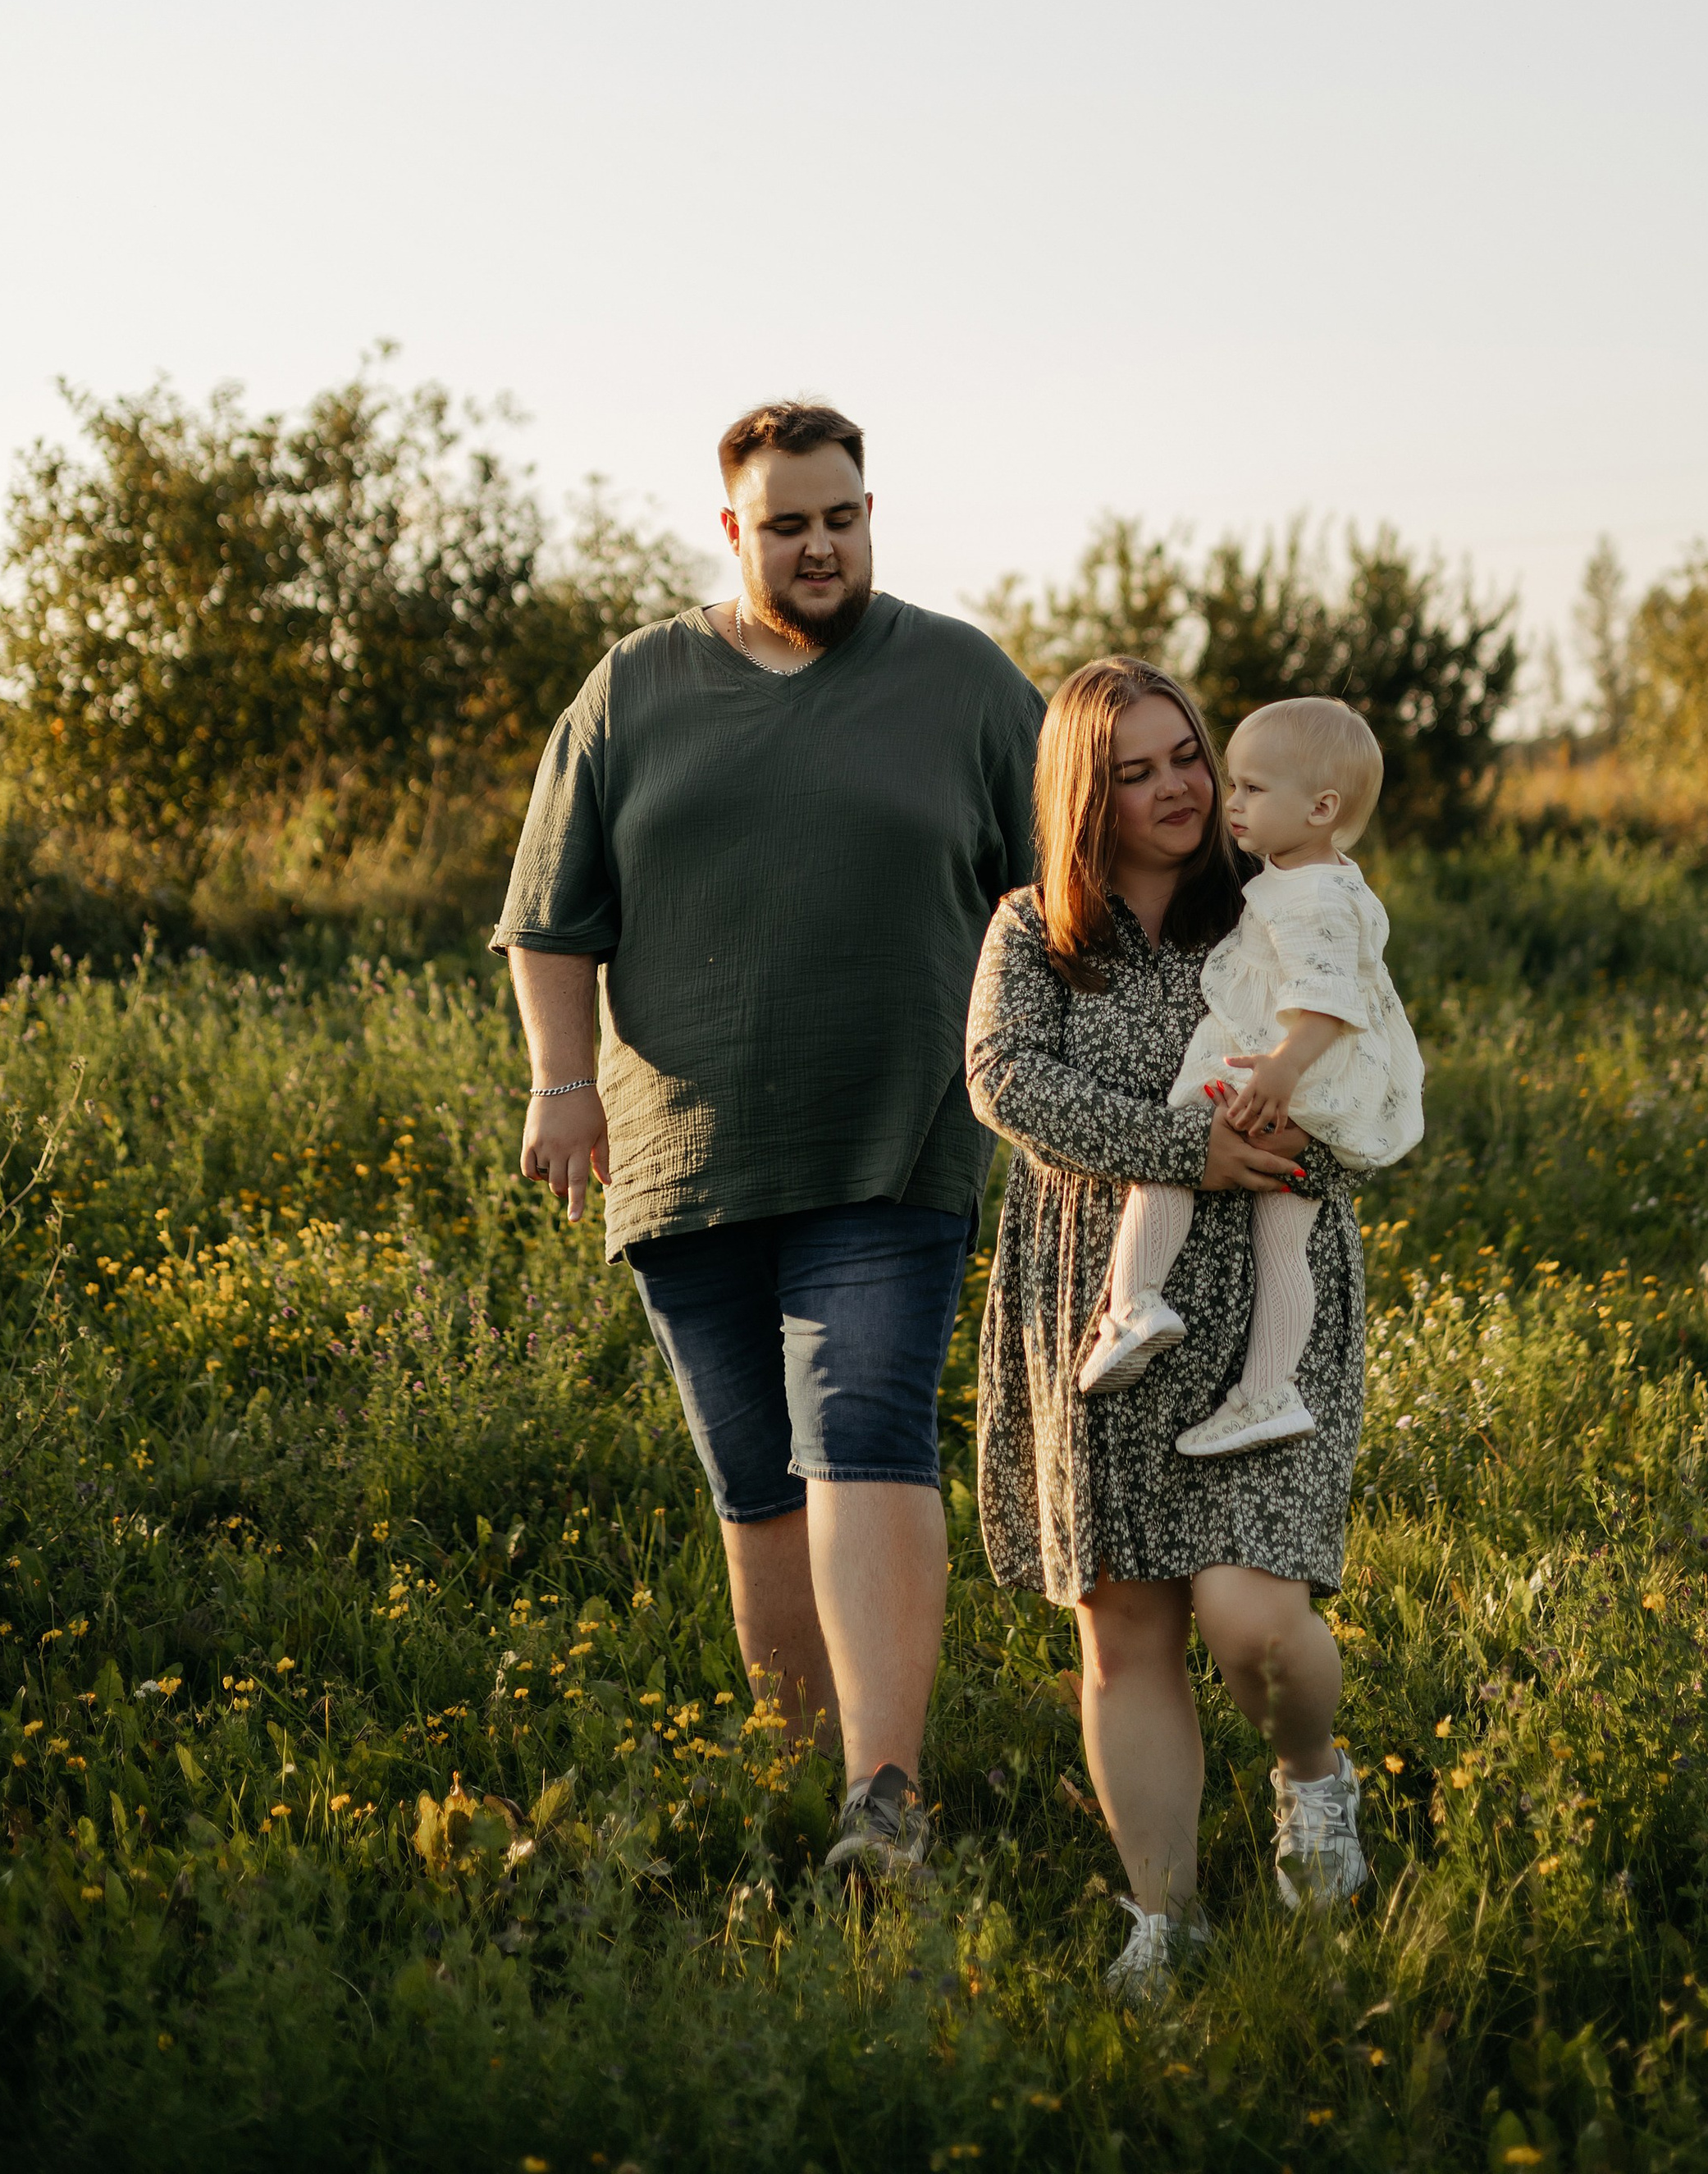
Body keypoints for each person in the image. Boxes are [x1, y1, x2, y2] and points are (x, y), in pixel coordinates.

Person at [495, 400, 1043, 1879]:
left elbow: (1066, 890)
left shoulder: (963, 679)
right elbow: (551, 917)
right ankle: (802, 1789)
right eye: (787, 523)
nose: (819, 545)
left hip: (898, 1127)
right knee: (758, 1481)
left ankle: (888, 1794)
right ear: (733, 530)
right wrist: (562, 1082)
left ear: (873, 514)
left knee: (861, 1430)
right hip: (685, 1148)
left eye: (842, 516)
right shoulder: (630, 692)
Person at [965, 657, 1372, 1996]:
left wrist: (1291, 1129)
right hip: (1099, 1300)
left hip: (1262, 1298)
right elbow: (1007, 1080)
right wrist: (1180, 1146)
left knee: (1253, 1616)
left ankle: (1314, 1784)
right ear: (1085, 795)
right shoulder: (1035, 928)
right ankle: (1168, 1919)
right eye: (1133, 771)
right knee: (1127, 1623)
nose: (1175, 789)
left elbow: (1361, 1073)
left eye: (1186, 755)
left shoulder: (1283, 906)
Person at [1079, 697, 1424, 1457]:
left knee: (1173, 1162)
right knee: (1282, 1245)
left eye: (1254, 790)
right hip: (1318, 1087)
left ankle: (1134, 1303)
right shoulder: (1317, 876)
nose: (1231, 804)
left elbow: (1328, 1000)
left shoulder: (1310, 898)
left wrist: (1279, 1073)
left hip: (1285, 1071)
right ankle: (1268, 1392)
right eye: (1233, 784)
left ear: (1321, 807)